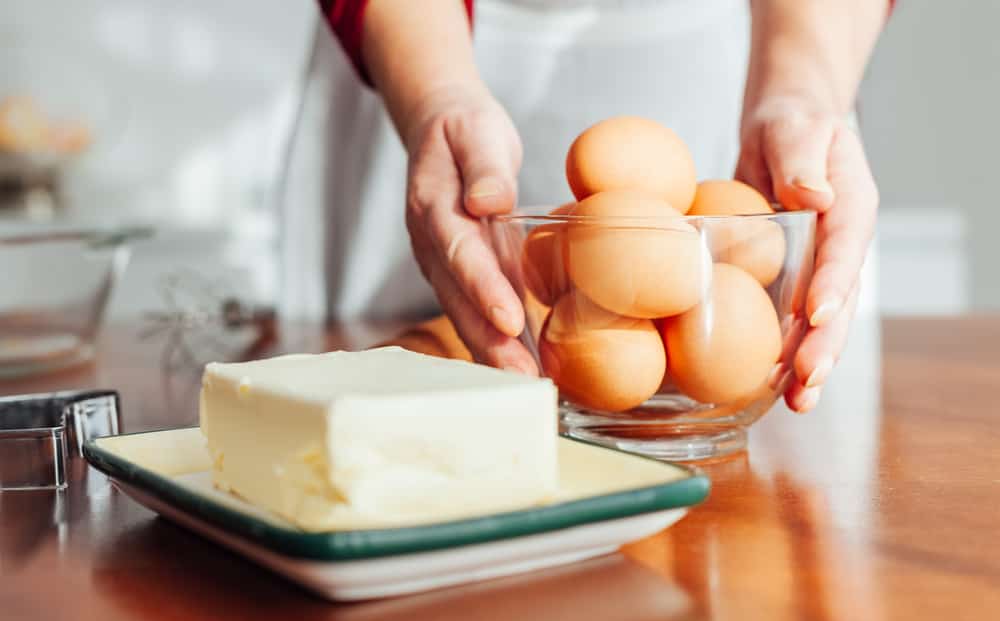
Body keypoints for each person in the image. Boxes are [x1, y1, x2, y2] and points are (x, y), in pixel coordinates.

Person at [301, 0, 888, 413]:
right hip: (422, 44)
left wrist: (802, 94)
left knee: (748, 315)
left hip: (738, 48)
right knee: (393, 413)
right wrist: (437, 95)